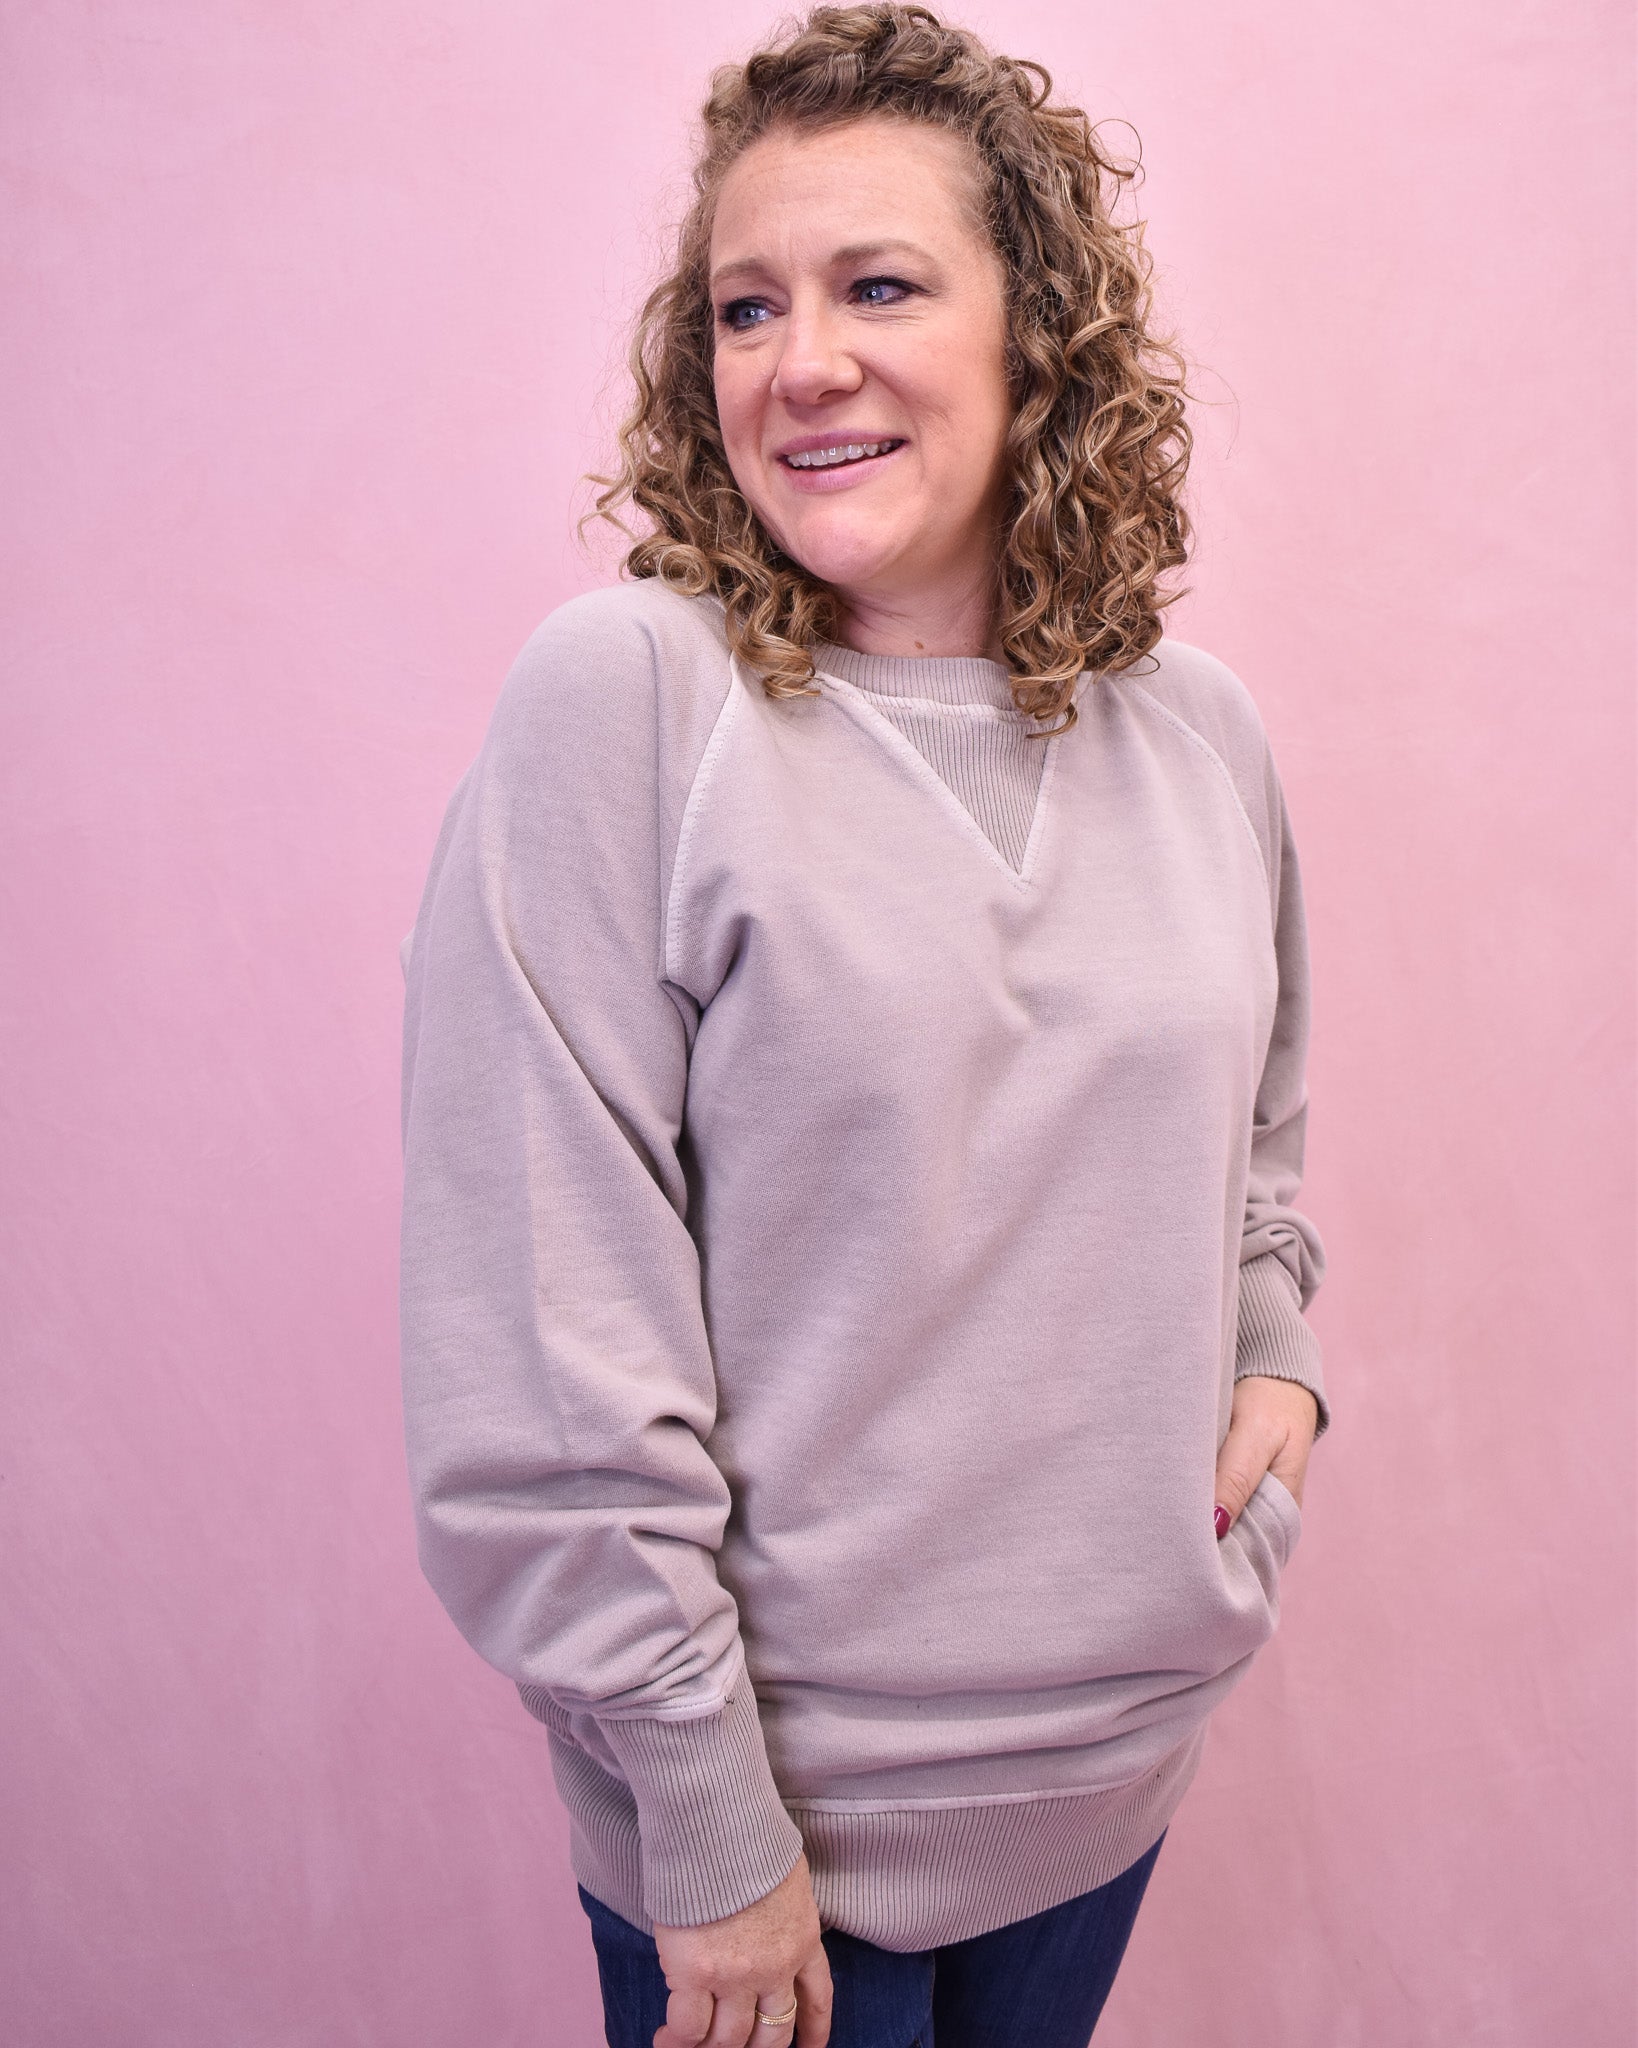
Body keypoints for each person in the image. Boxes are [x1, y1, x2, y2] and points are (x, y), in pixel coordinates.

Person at [396, 6, 1332, 2045]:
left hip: (1110, 1772)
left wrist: (1278, 1359)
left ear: (1039, 336)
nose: (799, 358)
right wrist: (707, 1825)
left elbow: (1258, 1136)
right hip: (767, 1845)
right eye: (746, 305)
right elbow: (547, 1318)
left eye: (878, 284)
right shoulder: (632, 703)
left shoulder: (1203, 736)